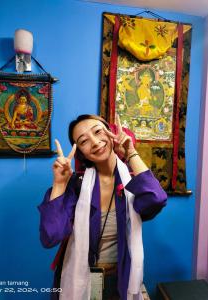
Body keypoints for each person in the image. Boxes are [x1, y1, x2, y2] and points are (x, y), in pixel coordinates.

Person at [38, 114, 167, 300]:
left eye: (98, 131)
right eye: (83, 141)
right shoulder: (77, 185)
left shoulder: (132, 182)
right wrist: (59, 184)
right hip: (78, 279)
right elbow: (51, 236)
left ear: (111, 132)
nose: (95, 142)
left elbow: (156, 200)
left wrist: (130, 152)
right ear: (81, 153)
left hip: (120, 278)